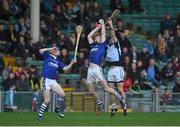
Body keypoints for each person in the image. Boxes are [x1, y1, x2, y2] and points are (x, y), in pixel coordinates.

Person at [87, 19, 127, 116]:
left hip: (98, 69)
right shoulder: (93, 45)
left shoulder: (102, 44)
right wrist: (97, 28)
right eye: (96, 36)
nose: (97, 36)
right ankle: (100, 104)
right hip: (90, 69)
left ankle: (120, 99)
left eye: (98, 36)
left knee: (107, 89)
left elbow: (106, 35)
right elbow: (89, 36)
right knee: (91, 91)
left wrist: (103, 25)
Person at [37, 47, 76, 121]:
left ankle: (57, 108)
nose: (58, 51)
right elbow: (40, 50)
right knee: (47, 101)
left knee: (62, 94)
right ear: (52, 52)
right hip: (46, 80)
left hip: (53, 81)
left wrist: (72, 63)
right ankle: (40, 114)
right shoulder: (47, 56)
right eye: (56, 50)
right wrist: (50, 48)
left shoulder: (58, 61)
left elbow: (65, 69)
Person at [105, 18, 127, 116]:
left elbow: (113, 35)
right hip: (111, 69)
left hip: (118, 69)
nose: (110, 39)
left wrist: (110, 24)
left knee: (120, 89)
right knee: (111, 90)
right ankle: (114, 108)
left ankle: (124, 106)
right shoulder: (107, 47)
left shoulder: (116, 44)